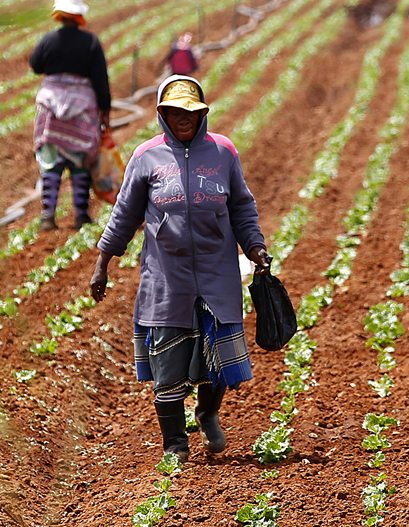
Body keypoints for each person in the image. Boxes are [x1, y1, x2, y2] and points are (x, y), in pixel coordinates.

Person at [89, 75, 272, 462]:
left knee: (216, 357)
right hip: (165, 276)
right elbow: (124, 212)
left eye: (191, 111)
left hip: (215, 272)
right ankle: (174, 443)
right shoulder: (146, 157)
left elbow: (242, 205)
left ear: (202, 113)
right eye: (174, 112)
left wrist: (255, 246)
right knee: (168, 362)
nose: (183, 118)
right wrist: (103, 261)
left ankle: (207, 412)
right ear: (162, 114)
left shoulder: (223, 153)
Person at [30, 0, 111, 230]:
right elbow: (100, 80)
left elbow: (35, 65)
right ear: (79, 15)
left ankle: (47, 216)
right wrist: (105, 111)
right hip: (81, 109)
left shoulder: (48, 40)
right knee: (80, 162)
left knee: (51, 163)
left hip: (51, 109)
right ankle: (81, 215)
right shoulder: (90, 43)